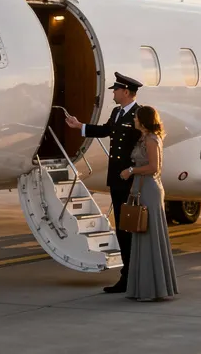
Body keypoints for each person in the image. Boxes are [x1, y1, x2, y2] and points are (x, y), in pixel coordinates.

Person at [65, 72, 143, 293]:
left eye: (116, 91)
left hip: (132, 180)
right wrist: (80, 126)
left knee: (133, 229)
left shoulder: (140, 114)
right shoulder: (117, 112)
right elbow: (106, 131)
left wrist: (135, 171)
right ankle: (127, 276)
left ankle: (134, 276)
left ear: (126, 91)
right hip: (118, 179)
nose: (114, 94)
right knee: (122, 228)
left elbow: (146, 143)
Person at [123, 105, 177, 301]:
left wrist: (131, 171)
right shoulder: (144, 139)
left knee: (149, 235)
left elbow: (153, 167)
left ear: (143, 120)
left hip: (149, 188)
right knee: (142, 233)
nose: (134, 119)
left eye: (137, 117)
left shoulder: (151, 140)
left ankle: (152, 289)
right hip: (141, 187)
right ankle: (143, 287)